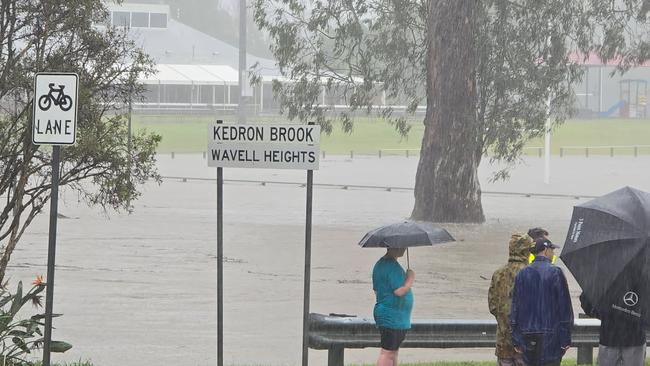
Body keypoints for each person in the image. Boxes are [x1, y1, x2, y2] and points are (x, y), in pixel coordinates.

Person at [510, 238, 573, 366]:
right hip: (551, 335)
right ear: (545, 250)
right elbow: (564, 308)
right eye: (552, 250)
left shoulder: (522, 274)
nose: (553, 254)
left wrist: (516, 338)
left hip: (527, 334)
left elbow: (515, 307)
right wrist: (565, 337)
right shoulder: (556, 272)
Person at [488, 233, 534, 366]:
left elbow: (493, 306)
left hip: (503, 341)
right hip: (526, 340)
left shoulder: (498, 273)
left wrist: (504, 320)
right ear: (526, 251)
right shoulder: (531, 273)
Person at [580, 286, 646, 365]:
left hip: (610, 335)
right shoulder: (643, 279)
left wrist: (600, 314)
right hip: (634, 337)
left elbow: (586, 299)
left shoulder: (606, 277)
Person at [372, 247, 414, 366]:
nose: (405, 248)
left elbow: (376, 291)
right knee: (387, 353)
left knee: (392, 352)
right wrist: (410, 278)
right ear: (393, 245)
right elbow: (399, 291)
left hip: (391, 315)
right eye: (402, 245)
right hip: (392, 317)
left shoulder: (380, 264)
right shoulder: (392, 266)